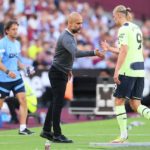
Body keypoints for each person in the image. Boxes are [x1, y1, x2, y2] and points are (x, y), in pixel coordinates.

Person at [40, 12, 105, 143]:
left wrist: (68, 69)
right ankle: (57, 134)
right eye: (78, 23)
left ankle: (46, 130)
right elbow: (75, 53)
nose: (80, 26)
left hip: (60, 72)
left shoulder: (70, 36)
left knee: (55, 102)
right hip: (57, 73)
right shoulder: (67, 37)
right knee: (58, 103)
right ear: (70, 23)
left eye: (81, 23)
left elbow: (67, 56)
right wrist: (94, 52)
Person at [101, 5, 150, 143]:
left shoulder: (123, 29)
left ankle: (123, 136)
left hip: (127, 70)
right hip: (140, 70)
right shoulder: (136, 28)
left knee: (118, 101)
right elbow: (128, 48)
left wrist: (116, 71)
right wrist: (110, 48)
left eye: (114, 15)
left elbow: (124, 51)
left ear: (119, 15)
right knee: (136, 104)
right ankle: (123, 136)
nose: (113, 18)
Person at [0, 20, 34, 135]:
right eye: (13, 29)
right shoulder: (2, 43)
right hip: (3, 79)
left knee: (23, 100)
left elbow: (18, 61)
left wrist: (25, 69)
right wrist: (8, 71)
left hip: (17, 79)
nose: (15, 31)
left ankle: (23, 128)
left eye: (16, 29)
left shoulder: (17, 43)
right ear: (7, 31)